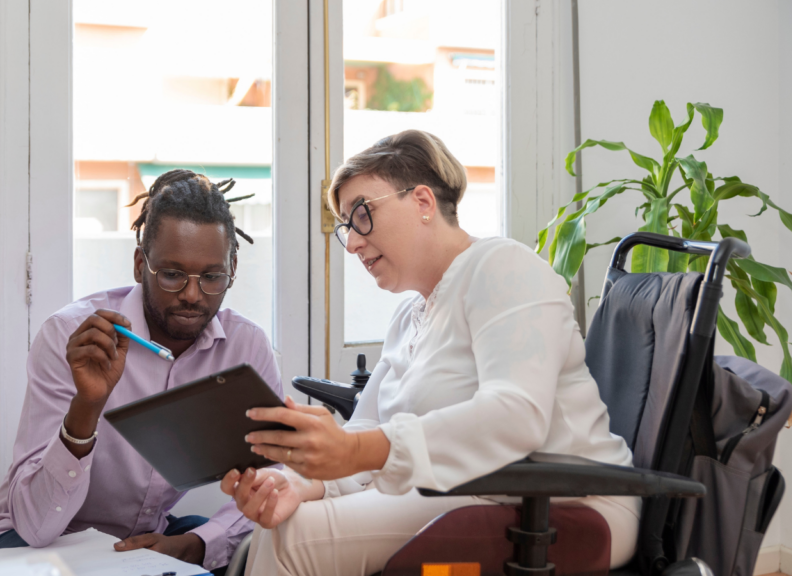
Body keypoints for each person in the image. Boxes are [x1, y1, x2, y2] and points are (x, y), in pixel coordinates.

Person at [221, 130, 640, 576]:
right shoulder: (410, 317)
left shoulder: (504, 268)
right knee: (282, 521)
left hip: (564, 503)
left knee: (293, 539)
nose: (354, 241)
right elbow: (365, 428)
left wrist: (359, 450)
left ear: (422, 202)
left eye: (361, 214)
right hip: (462, 490)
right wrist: (295, 483)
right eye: (346, 227)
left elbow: (516, 416)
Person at [0, 170, 282, 574]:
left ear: (232, 270)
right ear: (140, 265)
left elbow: (276, 475)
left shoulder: (246, 347)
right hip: (30, 542)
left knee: (245, 546)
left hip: (142, 541)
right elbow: (36, 524)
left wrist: (196, 544)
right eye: (171, 274)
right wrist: (87, 406)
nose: (191, 294)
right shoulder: (72, 337)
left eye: (211, 276)